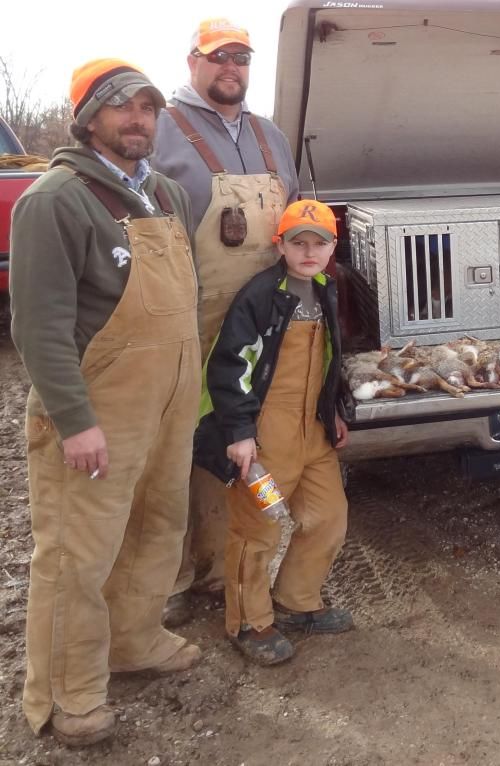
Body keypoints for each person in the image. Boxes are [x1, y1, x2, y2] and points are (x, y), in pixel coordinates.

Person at [9, 59, 201, 746]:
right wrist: (73, 419)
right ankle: (70, 694)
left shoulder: (166, 196)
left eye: (148, 108)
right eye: (122, 108)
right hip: (100, 410)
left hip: (171, 402)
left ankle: (135, 640)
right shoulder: (54, 200)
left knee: (157, 527)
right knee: (78, 555)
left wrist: (193, 395)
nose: (138, 120)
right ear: (89, 118)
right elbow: (37, 327)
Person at [151, 17, 300, 627]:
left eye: (240, 57)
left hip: (262, 320)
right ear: (192, 63)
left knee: (241, 440)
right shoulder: (157, 128)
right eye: (218, 57)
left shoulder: (271, 136)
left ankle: (222, 570)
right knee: (177, 449)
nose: (230, 68)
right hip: (191, 318)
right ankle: (170, 581)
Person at [194, 199, 354, 665]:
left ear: (331, 249)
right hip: (267, 435)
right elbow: (230, 367)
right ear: (279, 244)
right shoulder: (260, 295)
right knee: (258, 527)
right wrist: (240, 433)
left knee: (327, 517)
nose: (308, 252)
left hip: (313, 431)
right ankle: (249, 622)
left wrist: (335, 410)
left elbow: (330, 361)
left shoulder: (326, 290)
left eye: (318, 243)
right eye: (298, 242)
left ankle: (297, 603)